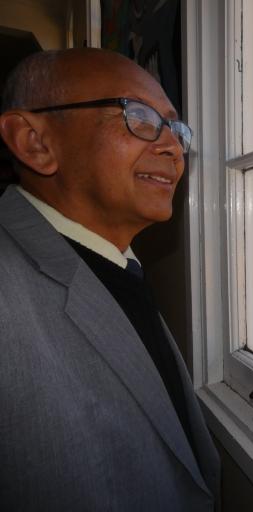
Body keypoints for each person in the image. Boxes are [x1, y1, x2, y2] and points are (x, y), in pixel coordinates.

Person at [0, 48, 219, 511]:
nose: (174, 148)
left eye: (177, 129)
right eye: (139, 115)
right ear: (35, 142)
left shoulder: (117, 263)